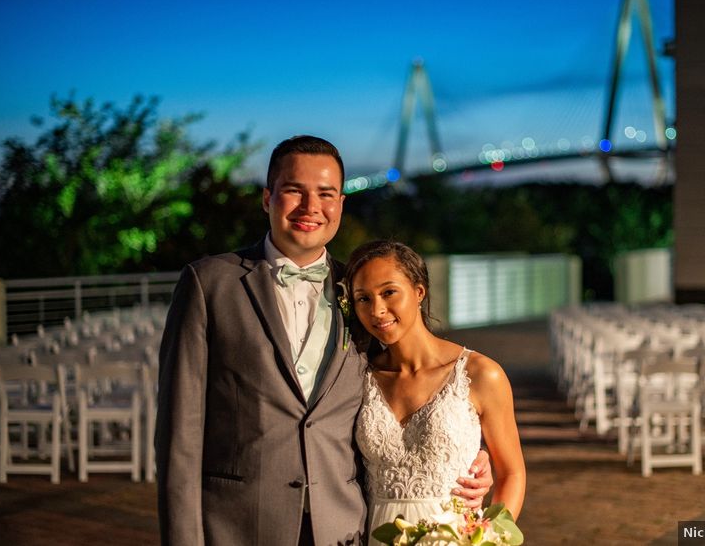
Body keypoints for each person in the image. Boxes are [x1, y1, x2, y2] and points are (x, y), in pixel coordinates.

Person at [155, 135, 492, 546]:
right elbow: (179, 435)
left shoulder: (363, 291)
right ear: (267, 198)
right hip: (237, 526)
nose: (311, 207)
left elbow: (410, 384)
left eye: (326, 194)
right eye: (294, 191)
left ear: (341, 204)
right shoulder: (209, 284)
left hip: (344, 527)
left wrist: (470, 455)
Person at [345, 240, 526, 545]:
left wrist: (489, 538)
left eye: (389, 292)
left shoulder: (481, 374)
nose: (377, 310)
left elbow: (512, 473)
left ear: (419, 292)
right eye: (363, 298)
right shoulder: (356, 376)